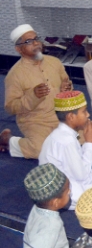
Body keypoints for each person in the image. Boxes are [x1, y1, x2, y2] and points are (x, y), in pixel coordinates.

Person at [1, 24, 72, 159]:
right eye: (29, 41)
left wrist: (66, 88)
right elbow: (10, 107)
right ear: (19, 49)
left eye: (36, 39)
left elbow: (67, 82)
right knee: (40, 150)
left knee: (82, 138)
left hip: (60, 116)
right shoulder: (14, 75)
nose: (35, 43)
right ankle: (8, 141)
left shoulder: (54, 62)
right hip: (35, 121)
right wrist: (32, 96)